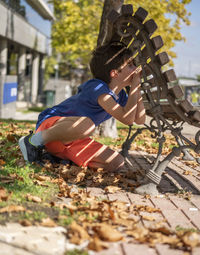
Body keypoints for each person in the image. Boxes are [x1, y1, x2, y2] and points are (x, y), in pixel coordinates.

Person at [19, 42, 146, 172]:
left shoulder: (122, 95)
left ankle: (57, 156)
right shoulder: (97, 87)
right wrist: (135, 85)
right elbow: (127, 119)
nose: (135, 68)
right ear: (115, 73)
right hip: (51, 127)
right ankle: (32, 141)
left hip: (72, 139)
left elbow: (139, 120)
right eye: (130, 65)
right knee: (87, 124)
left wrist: (137, 89)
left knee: (117, 162)